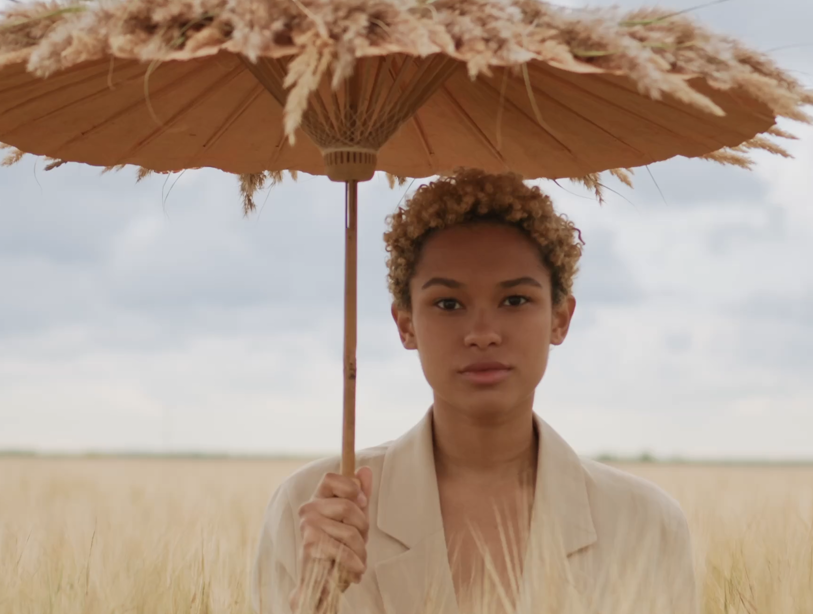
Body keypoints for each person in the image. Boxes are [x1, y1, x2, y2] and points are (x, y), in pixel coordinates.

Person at [250, 169, 698, 614]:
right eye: (448, 304)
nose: (482, 333)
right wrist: (312, 601)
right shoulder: (309, 512)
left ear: (560, 318)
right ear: (406, 324)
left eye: (515, 300)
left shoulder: (647, 524)